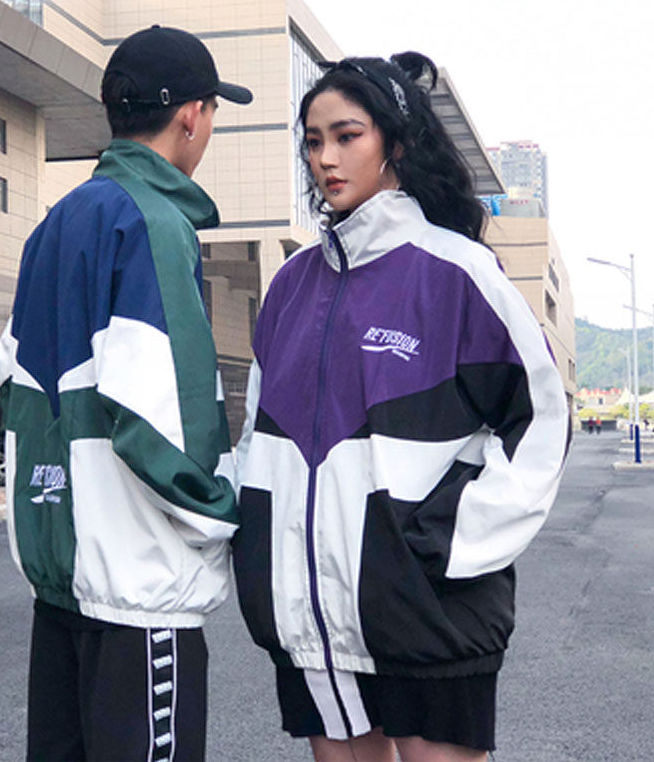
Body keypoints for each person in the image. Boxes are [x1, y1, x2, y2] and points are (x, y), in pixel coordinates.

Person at [232, 53, 569, 762]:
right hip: (312, 622)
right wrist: (258, 546)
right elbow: (258, 437)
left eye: (347, 136)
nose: (326, 158)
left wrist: (454, 536)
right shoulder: (290, 285)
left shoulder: (456, 271)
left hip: (428, 614)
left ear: (397, 142)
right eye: (313, 141)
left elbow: (542, 417)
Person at [0, 25, 252, 762]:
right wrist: (220, 515)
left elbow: (14, 384)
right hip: (138, 584)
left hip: (62, 576)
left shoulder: (52, 227)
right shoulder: (154, 222)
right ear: (192, 116)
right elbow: (164, 409)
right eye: (212, 111)